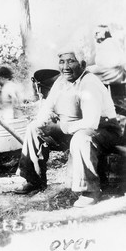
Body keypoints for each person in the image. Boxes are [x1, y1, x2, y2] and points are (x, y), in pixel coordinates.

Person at [13, 47, 122, 207]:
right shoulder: (61, 81)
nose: (65, 67)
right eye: (62, 61)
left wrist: (59, 128)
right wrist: (43, 122)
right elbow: (47, 107)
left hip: (103, 130)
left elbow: (91, 123)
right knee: (33, 127)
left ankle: (89, 191)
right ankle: (33, 179)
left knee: (81, 138)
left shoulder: (89, 83)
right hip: (73, 127)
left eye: (71, 61)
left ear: (82, 64)